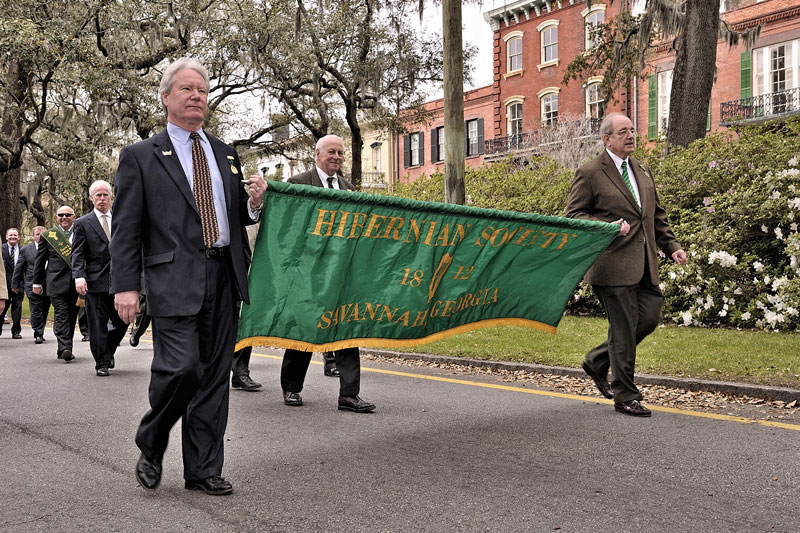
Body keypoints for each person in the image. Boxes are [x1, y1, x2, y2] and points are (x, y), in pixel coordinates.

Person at [110, 57, 266, 496]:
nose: (197, 95)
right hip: (173, 278)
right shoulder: (140, 156)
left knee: (215, 376)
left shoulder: (224, 152)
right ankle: (153, 439)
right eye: (187, 89)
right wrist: (125, 285)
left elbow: (233, 214)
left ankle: (202, 469)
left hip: (224, 275)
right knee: (180, 369)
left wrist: (253, 205)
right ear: (165, 97)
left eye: (202, 89)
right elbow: (125, 228)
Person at [565, 112, 687, 418]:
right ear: (607, 139)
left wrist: (671, 246)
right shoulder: (591, 172)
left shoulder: (641, 169)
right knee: (623, 327)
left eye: (633, 130)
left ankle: (597, 360)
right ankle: (625, 394)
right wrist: (608, 227)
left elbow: (656, 214)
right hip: (611, 265)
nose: (631, 135)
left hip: (645, 264)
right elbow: (574, 216)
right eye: (624, 132)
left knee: (647, 318)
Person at [280, 134, 375, 413]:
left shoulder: (348, 188)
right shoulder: (297, 184)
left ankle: (349, 394)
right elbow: (290, 227)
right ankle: (292, 388)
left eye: (341, 153)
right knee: (304, 329)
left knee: (347, 327)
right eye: (331, 152)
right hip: (308, 272)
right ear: (317, 154)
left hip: (341, 272)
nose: (337, 157)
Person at [72, 180, 128, 376]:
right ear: (91, 198)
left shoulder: (122, 219)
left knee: (123, 319)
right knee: (97, 324)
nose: (102, 198)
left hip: (121, 280)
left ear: (111, 197)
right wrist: (79, 276)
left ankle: (108, 348)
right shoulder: (82, 223)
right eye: (98, 195)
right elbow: (77, 253)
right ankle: (102, 363)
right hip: (95, 281)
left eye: (105, 195)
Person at [33, 207, 80, 362]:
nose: (64, 217)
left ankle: (65, 348)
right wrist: (37, 283)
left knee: (72, 317)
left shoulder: (81, 231)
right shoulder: (48, 236)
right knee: (61, 314)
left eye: (68, 215)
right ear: (56, 217)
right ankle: (65, 347)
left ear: (74, 217)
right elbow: (39, 261)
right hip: (56, 283)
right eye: (61, 215)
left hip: (77, 283)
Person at [231, 224, 262, 391]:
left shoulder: (264, 210)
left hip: (252, 272)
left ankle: (240, 372)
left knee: (245, 318)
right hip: (226, 268)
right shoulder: (235, 203)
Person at [11, 226, 51, 343]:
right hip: (31, 285)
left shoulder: (52, 249)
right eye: (38, 234)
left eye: (43, 234)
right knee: (36, 309)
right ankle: (38, 333)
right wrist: (15, 284)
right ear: (33, 236)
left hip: (48, 285)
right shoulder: (26, 250)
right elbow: (19, 268)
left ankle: (41, 330)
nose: (41, 236)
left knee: (44, 309)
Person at [1, 228, 24, 339]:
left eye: (15, 235)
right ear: (6, 237)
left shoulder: (23, 250)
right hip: (4, 284)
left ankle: (16, 332)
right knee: (2, 308)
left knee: (17, 308)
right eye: (10, 235)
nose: (13, 237)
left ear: (19, 237)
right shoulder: (1, 249)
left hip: (19, 284)